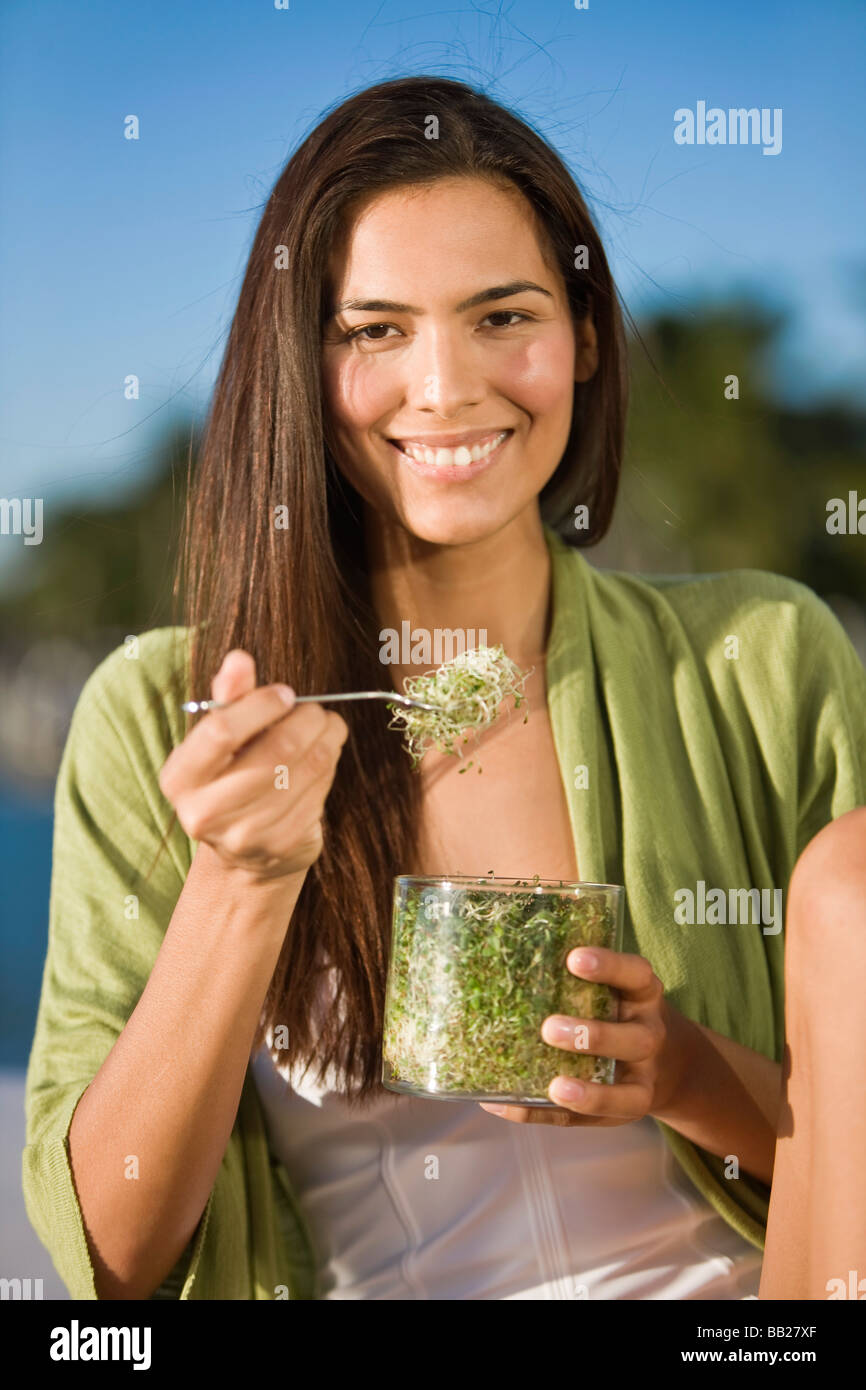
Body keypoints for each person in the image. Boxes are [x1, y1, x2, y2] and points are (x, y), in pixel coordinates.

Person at [23, 75, 866, 1301]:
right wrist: (239, 885)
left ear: (582, 336)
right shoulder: (161, 712)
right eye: (373, 330)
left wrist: (679, 1072)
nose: (445, 386)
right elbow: (111, 1261)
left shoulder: (761, 657)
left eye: (500, 316)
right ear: (300, 365)